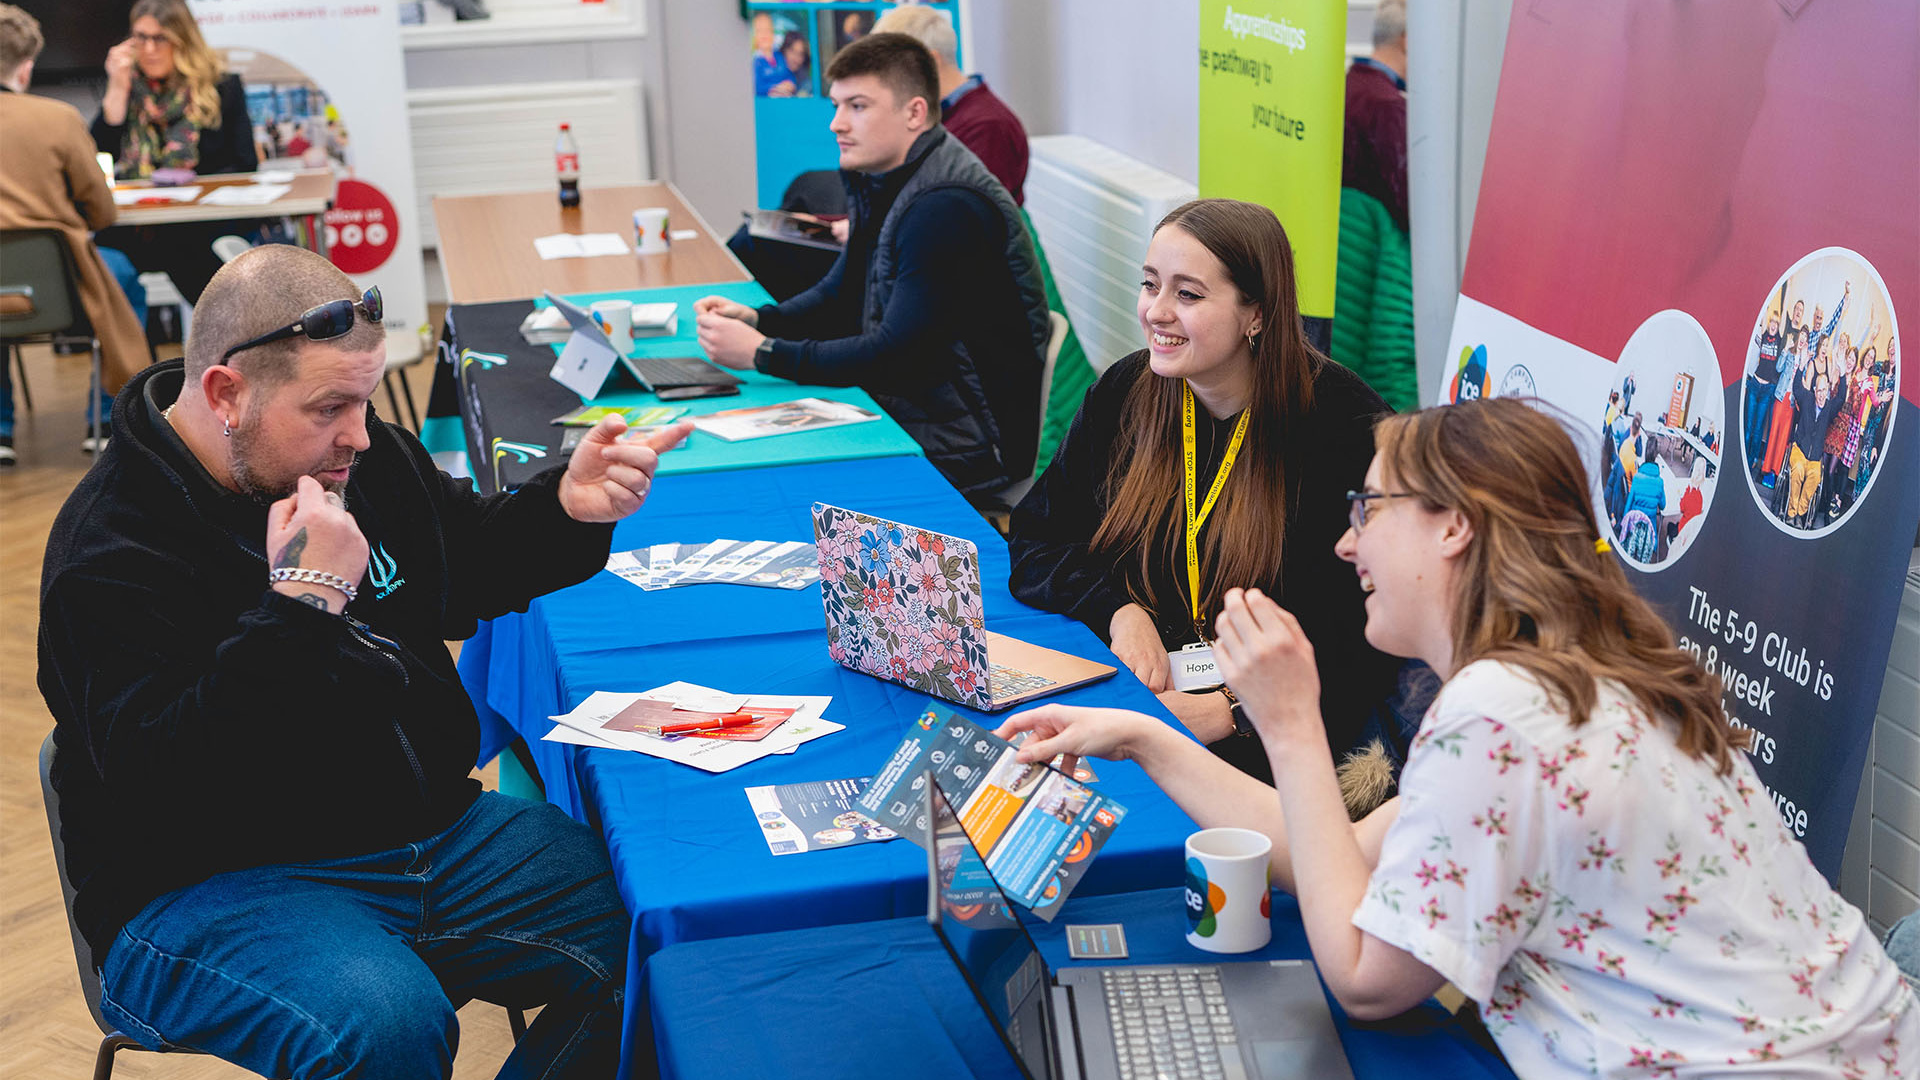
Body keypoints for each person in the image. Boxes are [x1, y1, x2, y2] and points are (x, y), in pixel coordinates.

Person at [997, 397, 1916, 1074]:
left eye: (1370, 509)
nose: (1345, 545)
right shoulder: (1573, 670)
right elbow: (1339, 850)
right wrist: (1149, 739)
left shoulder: (1502, 717)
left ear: (1455, 529)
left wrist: (1288, 723)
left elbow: (1364, 977)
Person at [38, 243, 695, 1078]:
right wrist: (301, 607)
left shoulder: (353, 455)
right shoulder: (110, 551)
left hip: (420, 834)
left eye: (367, 399)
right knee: (384, 1025)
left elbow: (460, 567)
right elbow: (163, 776)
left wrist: (565, 509)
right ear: (226, 394)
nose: (359, 435)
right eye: (328, 408)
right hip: (203, 882)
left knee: (651, 939)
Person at [1008, 198, 1399, 785]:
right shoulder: (1127, 391)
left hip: (1283, 738)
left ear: (1257, 315)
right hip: (1148, 694)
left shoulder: (1341, 428)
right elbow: (1039, 535)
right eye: (1150, 285)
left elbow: (1364, 628)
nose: (1156, 312)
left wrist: (1233, 713)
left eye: (1187, 295)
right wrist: (1119, 611)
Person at [696, 33, 1051, 501]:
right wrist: (762, 319)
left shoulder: (943, 207)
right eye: (836, 106)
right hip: (923, 407)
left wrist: (765, 354)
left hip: (969, 444)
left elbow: (896, 353)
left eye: (857, 106)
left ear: (915, 113)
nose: (837, 124)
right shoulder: (882, 177)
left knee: (762, 483)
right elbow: (842, 294)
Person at [0, 3, 150, 460]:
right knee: (124, 277)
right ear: (26, 68)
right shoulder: (58, 119)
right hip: (58, 284)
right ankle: (107, 417)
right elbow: (102, 212)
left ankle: (2, 429)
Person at [90, 0, 259, 305]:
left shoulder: (221, 86)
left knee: (178, 241)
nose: (149, 48)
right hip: (138, 226)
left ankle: (233, 324)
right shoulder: (126, 87)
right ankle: (237, 327)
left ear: (183, 40)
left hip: (203, 221)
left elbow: (245, 162)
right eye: (141, 37)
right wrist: (116, 89)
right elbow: (96, 159)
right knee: (102, 257)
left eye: (160, 38)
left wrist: (185, 189)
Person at [873, 3, 1029, 204]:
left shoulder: (987, 127)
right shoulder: (938, 117)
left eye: (891, 68)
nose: (885, 81)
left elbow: (964, 217)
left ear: (929, 62)